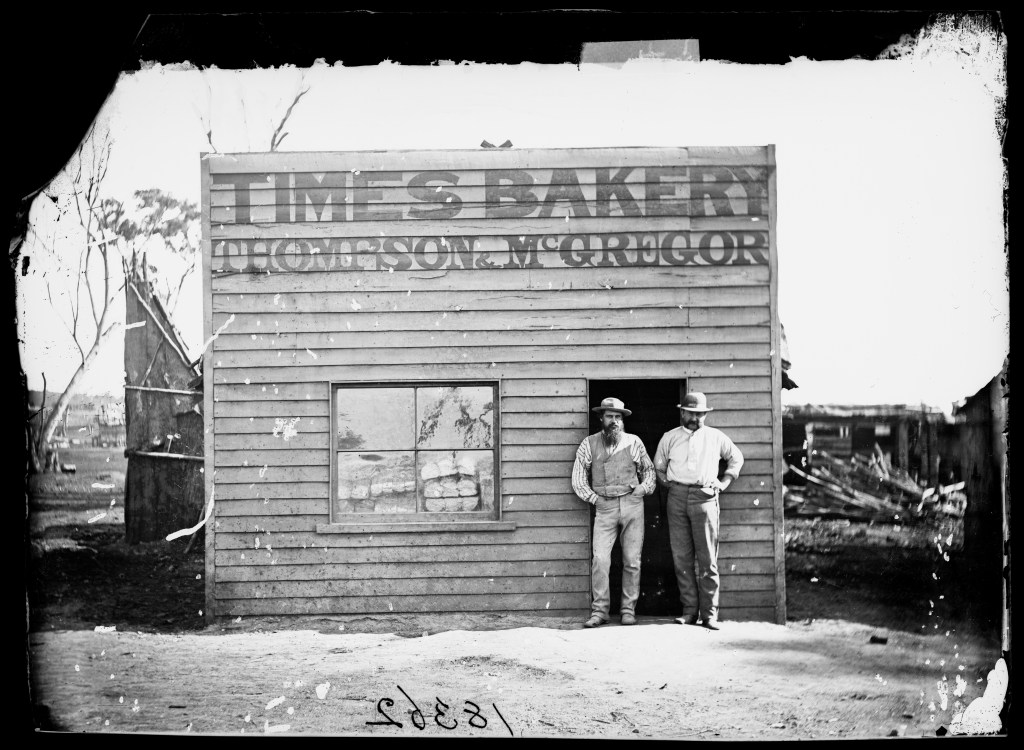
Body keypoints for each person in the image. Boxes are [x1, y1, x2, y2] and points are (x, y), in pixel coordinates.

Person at [654, 392, 743, 631]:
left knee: (707, 560)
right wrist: (669, 484)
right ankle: (689, 612)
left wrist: (723, 482)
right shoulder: (669, 437)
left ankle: (710, 615)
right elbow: (658, 467)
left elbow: (736, 458)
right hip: (677, 497)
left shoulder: (715, 437)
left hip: (705, 498)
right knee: (681, 558)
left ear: (705, 414)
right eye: (691, 413)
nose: (695, 418)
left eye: (700, 414)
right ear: (682, 412)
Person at [572, 397, 657, 628]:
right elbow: (578, 478)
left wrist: (643, 488)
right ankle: (600, 612)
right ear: (602, 418)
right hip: (605, 507)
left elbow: (649, 471)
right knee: (600, 559)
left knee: (632, 560)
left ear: (623, 420)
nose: (614, 421)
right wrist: (594, 499)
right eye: (610, 416)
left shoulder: (634, 442)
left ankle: (628, 611)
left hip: (632, 505)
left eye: (618, 417)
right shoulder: (588, 444)